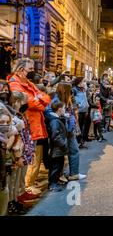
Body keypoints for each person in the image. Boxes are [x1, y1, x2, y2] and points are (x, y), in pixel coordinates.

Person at [7, 59, 50, 196]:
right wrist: (38, 100)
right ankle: (19, 192)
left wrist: (39, 99)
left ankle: (22, 191)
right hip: (24, 126)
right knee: (20, 163)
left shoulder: (29, 83)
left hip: (33, 125)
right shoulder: (14, 84)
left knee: (28, 159)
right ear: (20, 70)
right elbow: (30, 103)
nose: (33, 72)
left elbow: (46, 98)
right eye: (30, 69)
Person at [47, 102, 68, 192]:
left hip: (59, 148)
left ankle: (55, 182)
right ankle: (52, 184)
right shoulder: (55, 121)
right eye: (64, 108)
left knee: (59, 165)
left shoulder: (57, 119)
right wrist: (63, 144)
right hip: (57, 148)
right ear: (59, 109)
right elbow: (55, 135)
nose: (64, 109)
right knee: (55, 167)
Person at [72, 77, 90, 144]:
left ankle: (81, 140)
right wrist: (77, 105)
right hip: (78, 111)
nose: (85, 83)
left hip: (84, 110)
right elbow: (72, 99)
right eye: (84, 81)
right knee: (78, 127)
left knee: (82, 126)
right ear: (79, 82)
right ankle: (77, 141)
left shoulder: (83, 89)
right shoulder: (74, 89)